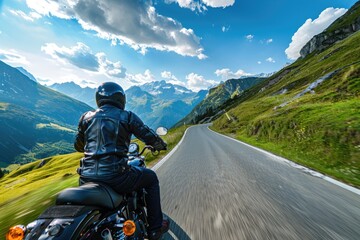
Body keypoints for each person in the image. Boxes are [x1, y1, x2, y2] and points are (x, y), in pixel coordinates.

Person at [74, 82, 169, 239]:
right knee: (151, 178)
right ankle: (155, 228)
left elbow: (78, 145)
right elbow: (147, 135)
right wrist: (160, 144)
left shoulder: (86, 118)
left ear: (99, 99)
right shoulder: (127, 116)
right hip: (116, 177)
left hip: (86, 178)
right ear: (121, 99)